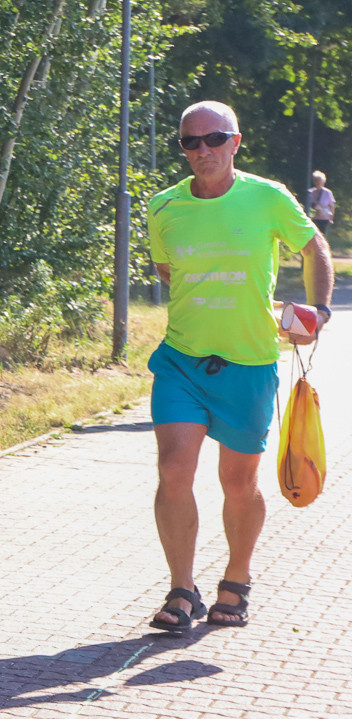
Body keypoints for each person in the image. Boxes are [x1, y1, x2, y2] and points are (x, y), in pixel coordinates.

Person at [145, 101, 333, 632]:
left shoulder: (267, 197)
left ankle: (237, 580)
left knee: (237, 481)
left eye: (214, 138)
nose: (202, 150)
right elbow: (168, 273)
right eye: (190, 142)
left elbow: (314, 245)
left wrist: (316, 309)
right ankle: (183, 589)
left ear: (235, 141)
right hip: (182, 359)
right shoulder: (163, 207)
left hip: (250, 362)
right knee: (173, 468)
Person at [309, 170, 336, 236]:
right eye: (316, 180)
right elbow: (310, 205)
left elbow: (332, 206)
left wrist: (331, 218)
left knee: (322, 235)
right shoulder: (311, 192)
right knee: (314, 235)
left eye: (319, 181)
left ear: (323, 181)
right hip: (314, 218)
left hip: (324, 218)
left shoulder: (328, 192)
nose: (318, 182)